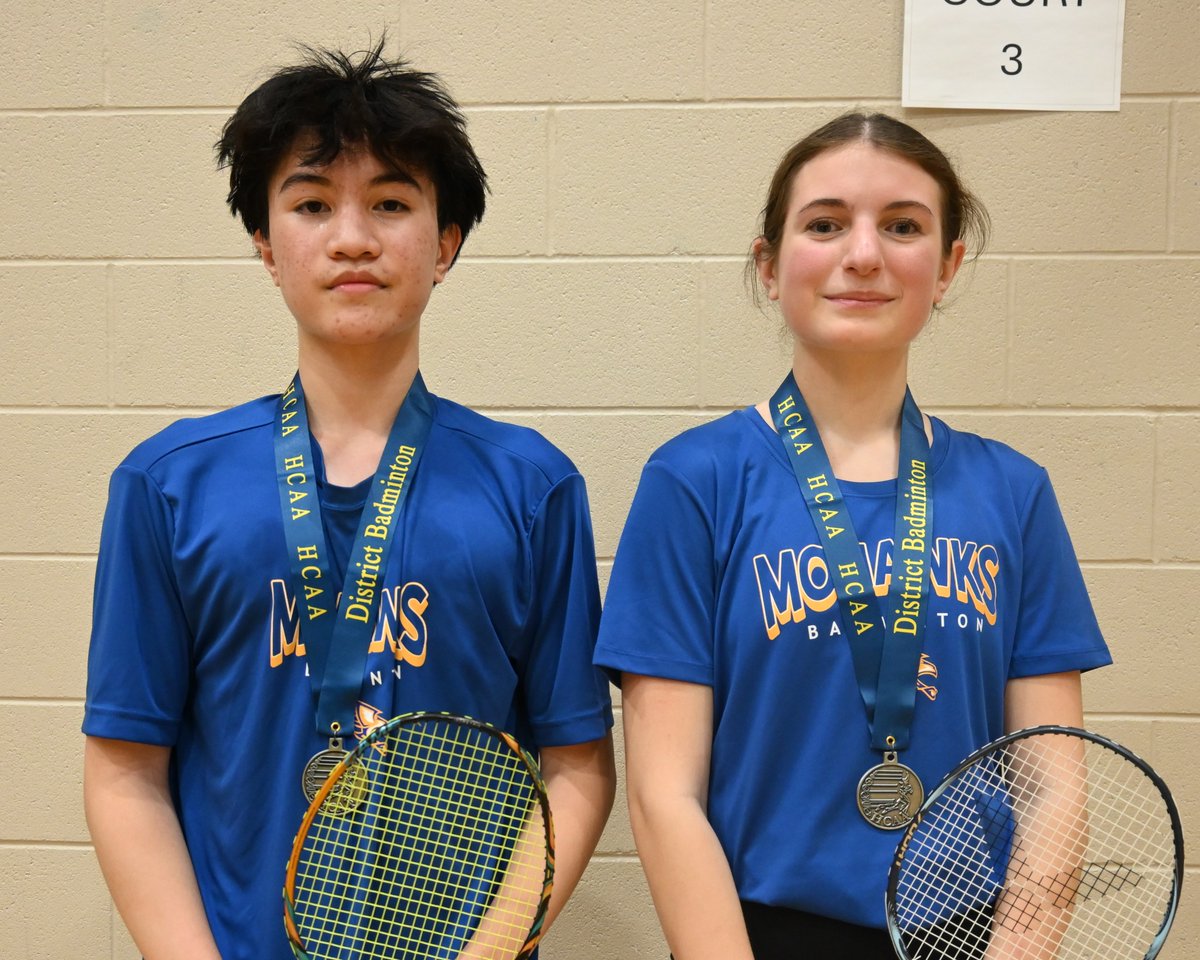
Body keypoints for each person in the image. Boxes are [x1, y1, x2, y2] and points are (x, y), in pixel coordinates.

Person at [82, 40, 615, 960]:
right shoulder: (166, 484)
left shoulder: (534, 487)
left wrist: (485, 951)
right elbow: (125, 769)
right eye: (313, 204)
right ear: (266, 244)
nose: (353, 236)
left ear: (445, 243)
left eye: (392, 204)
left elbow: (576, 766)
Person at [593, 113, 1111, 959]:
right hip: (757, 935)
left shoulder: (1014, 492)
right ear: (769, 264)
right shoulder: (694, 482)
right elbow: (663, 794)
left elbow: (1053, 785)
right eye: (825, 223)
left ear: (946, 268)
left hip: (972, 936)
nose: (863, 255)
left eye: (903, 226)